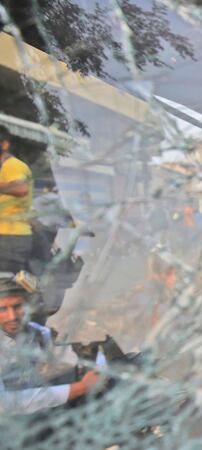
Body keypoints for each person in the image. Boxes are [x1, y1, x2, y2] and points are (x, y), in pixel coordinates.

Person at [0, 275, 100, 415]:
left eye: (18, 306)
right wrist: (80, 387)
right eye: (3, 309)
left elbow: (69, 357)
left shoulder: (37, 332)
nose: (12, 317)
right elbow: (5, 404)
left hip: (40, 411)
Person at [0, 126, 33, 274]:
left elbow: (21, 188)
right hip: (6, 236)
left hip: (10, 237)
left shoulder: (13, 165)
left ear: (5, 144)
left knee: (6, 285)